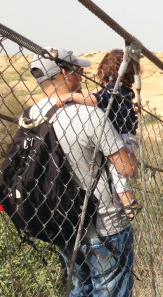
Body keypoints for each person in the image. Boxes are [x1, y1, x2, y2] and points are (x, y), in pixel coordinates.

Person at [31, 48, 138, 297]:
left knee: (78, 295)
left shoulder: (31, 116)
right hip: (106, 224)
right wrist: (128, 148)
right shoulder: (91, 116)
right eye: (76, 70)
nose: (81, 75)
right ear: (64, 75)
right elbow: (126, 168)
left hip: (63, 225)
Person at [57, 49, 141, 220]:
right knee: (117, 170)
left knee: (118, 172)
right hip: (127, 136)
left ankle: (128, 203)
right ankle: (126, 201)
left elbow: (93, 100)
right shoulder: (124, 91)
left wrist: (72, 96)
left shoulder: (112, 90)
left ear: (103, 73)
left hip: (122, 137)